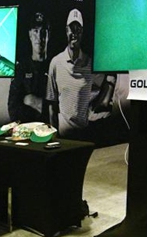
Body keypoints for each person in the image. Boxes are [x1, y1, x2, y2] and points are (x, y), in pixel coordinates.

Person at [46, 8, 107, 139]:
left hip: (84, 134)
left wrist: (93, 106)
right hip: (62, 135)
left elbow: (106, 83)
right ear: (66, 30)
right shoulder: (56, 63)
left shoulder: (90, 64)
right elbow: (52, 103)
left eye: (78, 29)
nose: (74, 33)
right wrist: (54, 137)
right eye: (71, 28)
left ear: (82, 32)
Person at [8, 11, 51, 123]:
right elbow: (13, 108)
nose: (39, 37)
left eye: (43, 32)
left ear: (48, 35)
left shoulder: (56, 66)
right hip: (25, 130)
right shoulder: (21, 67)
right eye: (35, 31)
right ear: (30, 35)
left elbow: (62, 109)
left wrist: (32, 100)